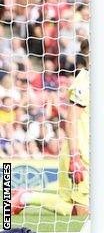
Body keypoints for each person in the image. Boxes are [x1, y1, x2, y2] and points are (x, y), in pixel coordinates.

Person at [12, 40, 91, 217]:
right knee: (82, 211)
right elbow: (71, 120)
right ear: (87, 56)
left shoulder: (98, 83)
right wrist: (75, 156)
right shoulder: (85, 82)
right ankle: (26, 197)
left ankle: (25, 196)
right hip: (80, 153)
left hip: (88, 153)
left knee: (82, 208)